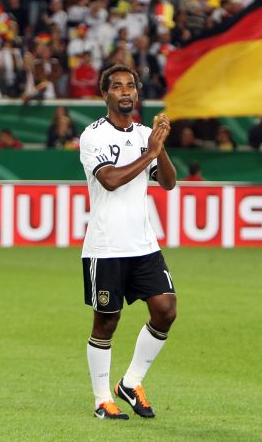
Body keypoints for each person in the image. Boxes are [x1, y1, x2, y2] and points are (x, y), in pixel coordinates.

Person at [79, 64, 177, 420]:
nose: (124, 92)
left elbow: (168, 183)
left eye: (130, 87)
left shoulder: (144, 135)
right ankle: (102, 398)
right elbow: (110, 180)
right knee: (107, 320)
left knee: (166, 310)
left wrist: (159, 147)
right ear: (105, 94)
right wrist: (149, 153)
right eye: (117, 86)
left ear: (137, 94)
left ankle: (131, 382)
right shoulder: (93, 136)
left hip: (143, 244)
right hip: (106, 247)